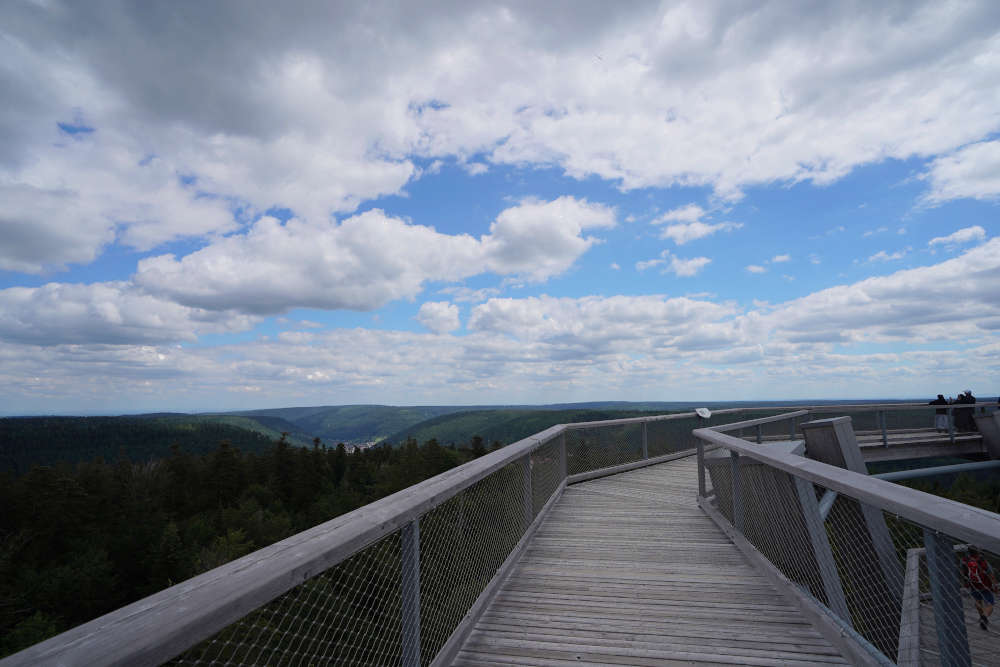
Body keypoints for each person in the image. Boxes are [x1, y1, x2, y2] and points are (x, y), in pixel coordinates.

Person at [961, 547, 998, 630]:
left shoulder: (965, 561)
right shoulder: (982, 561)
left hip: (973, 585)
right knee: (990, 604)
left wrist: (965, 583)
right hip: (985, 586)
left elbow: (964, 573)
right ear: (977, 552)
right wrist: (995, 586)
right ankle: (984, 617)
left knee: (978, 601)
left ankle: (981, 616)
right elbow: (991, 574)